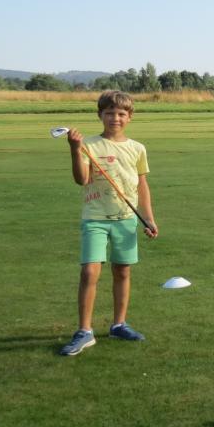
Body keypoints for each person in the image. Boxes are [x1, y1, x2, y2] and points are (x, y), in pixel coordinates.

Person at [58, 90, 159, 356]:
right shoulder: (89, 145)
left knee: (122, 272)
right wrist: (74, 149)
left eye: (121, 114)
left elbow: (143, 186)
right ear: (100, 115)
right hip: (95, 218)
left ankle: (118, 324)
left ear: (130, 117)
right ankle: (84, 331)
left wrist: (148, 218)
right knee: (89, 272)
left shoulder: (137, 148)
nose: (115, 118)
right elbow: (82, 180)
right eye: (110, 113)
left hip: (126, 219)